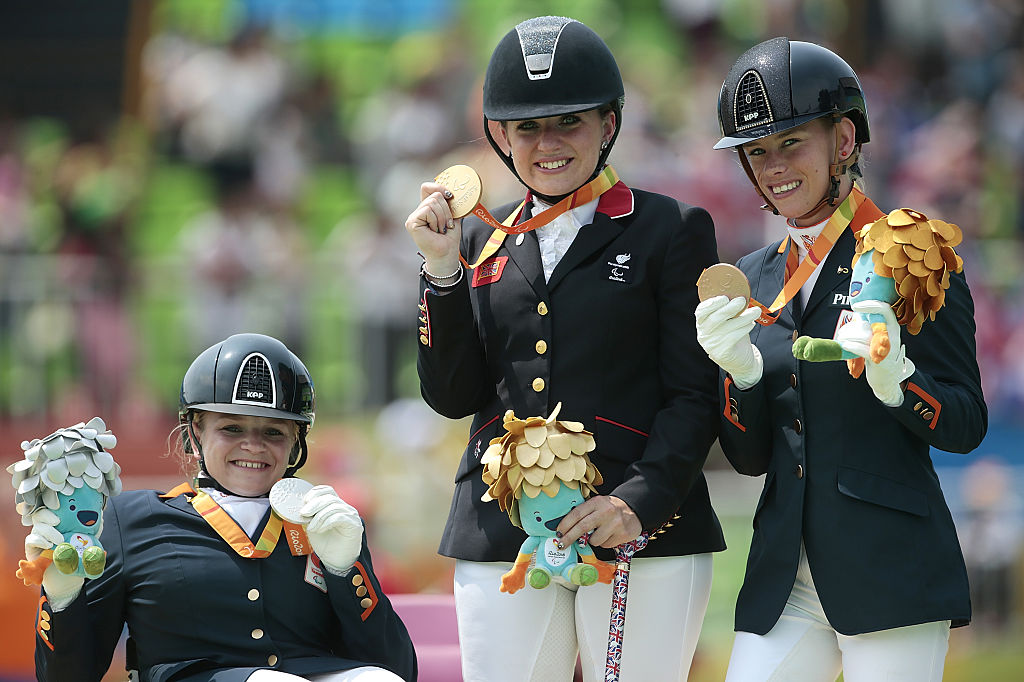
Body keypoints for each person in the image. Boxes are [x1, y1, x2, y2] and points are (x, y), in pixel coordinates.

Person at [404, 16, 724, 682]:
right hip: (500, 528)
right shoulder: (478, 241)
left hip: (633, 525)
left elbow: (694, 394)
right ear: (502, 137)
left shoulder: (669, 228)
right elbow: (453, 396)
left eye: (569, 122)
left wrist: (637, 503)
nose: (547, 144)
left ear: (609, 124)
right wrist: (441, 272)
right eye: (527, 128)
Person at [699, 38, 988, 681]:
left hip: (890, 570)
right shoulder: (753, 276)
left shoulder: (912, 254)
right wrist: (739, 378)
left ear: (845, 140)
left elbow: (966, 422)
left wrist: (900, 383)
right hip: (784, 577)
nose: (774, 166)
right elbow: (750, 459)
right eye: (757, 151)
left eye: (791, 142)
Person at [28, 333, 417, 682]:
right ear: (195, 430)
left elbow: (396, 669)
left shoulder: (323, 519)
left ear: (296, 442)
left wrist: (346, 572)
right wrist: (62, 600)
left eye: (273, 432)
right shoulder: (127, 520)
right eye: (232, 428)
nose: (253, 445)